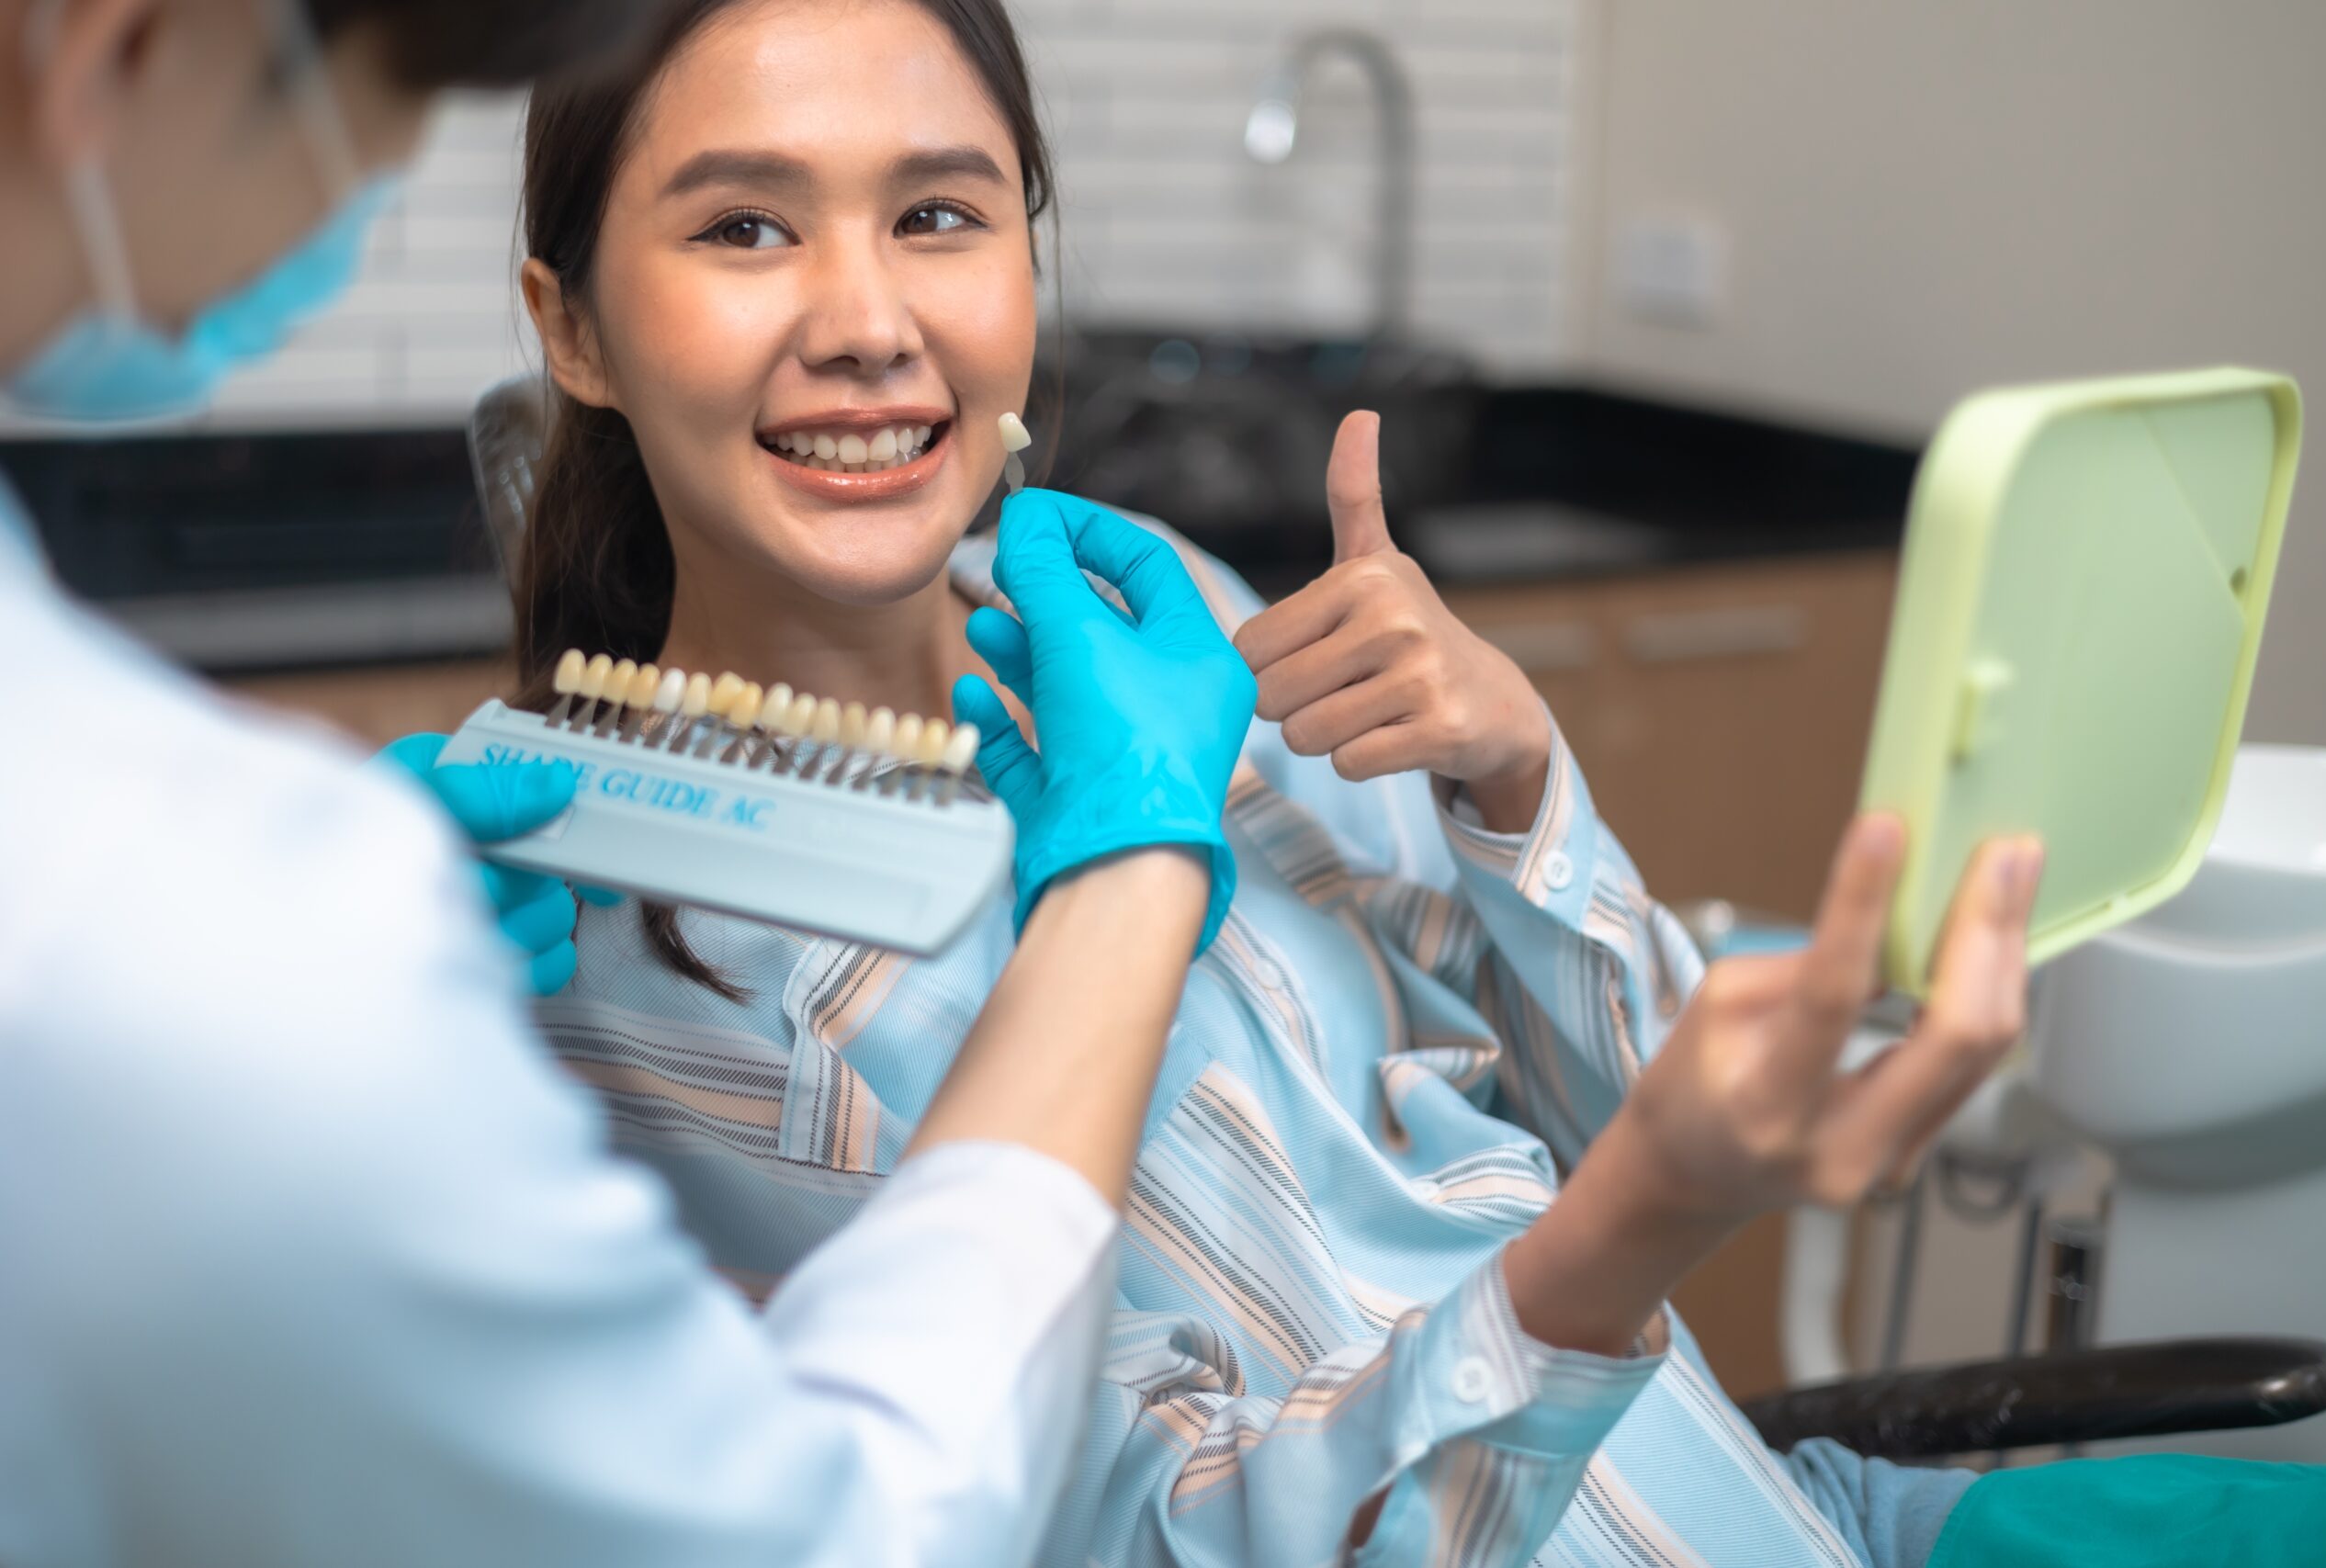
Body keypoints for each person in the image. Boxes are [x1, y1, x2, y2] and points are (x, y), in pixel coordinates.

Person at [470, 3, 2069, 1565]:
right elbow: (1175, 1534)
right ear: (574, 327)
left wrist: (1513, 784)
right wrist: (1637, 1222)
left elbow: (1643, 1124)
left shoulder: (1167, 619)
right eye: (746, 228)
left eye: (939, 213)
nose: (869, 320)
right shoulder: (647, 981)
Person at [0, 2, 1264, 1565]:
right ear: (115, 54)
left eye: (938, 212)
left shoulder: (1200, 627)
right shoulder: (214, 929)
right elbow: (841, 1534)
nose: (869, 323)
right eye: (383, 110)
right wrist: (1133, 873)